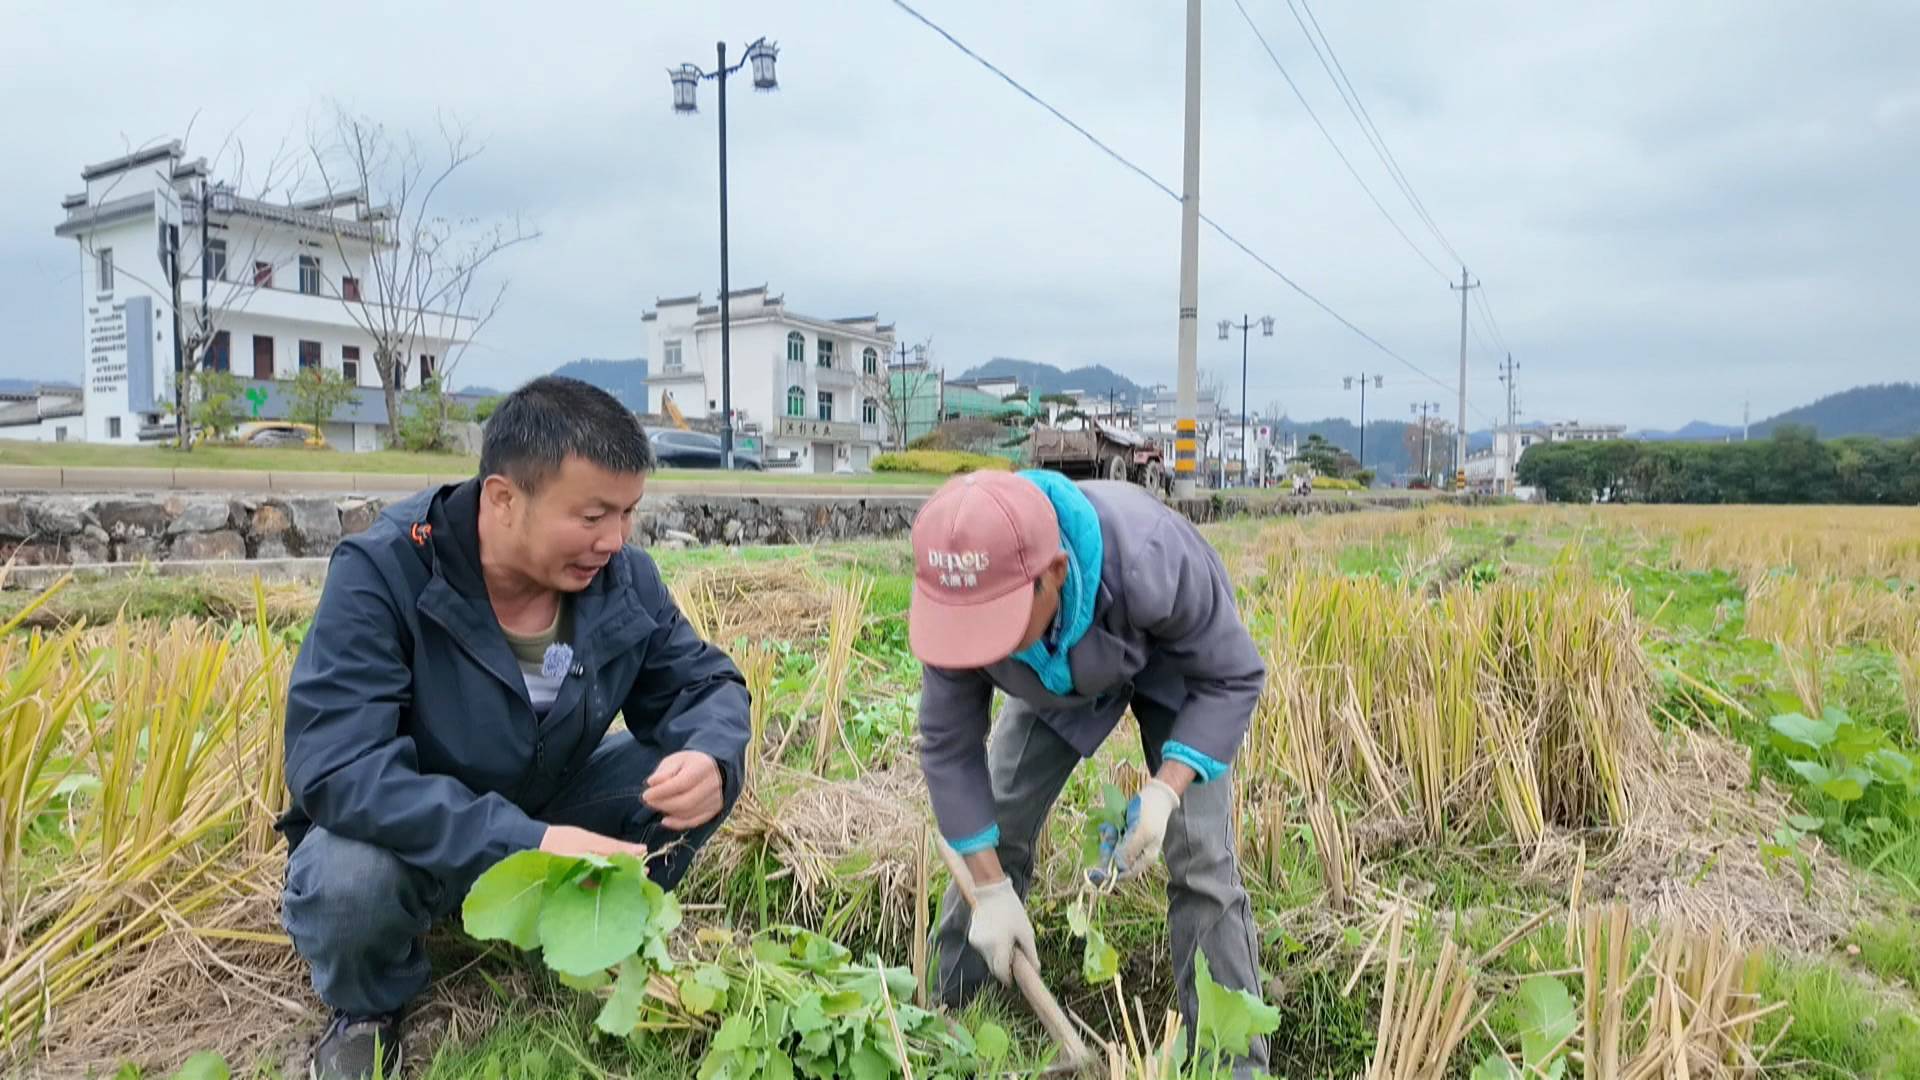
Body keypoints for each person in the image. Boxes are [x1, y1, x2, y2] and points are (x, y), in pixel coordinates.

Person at [278, 376, 750, 1080]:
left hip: (546, 802)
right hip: (417, 835)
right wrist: (528, 843)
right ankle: (371, 1006)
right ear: (503, 498)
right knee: (347, 881)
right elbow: (337, 767)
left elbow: (703, 683)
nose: (615, 540)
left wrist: (712, 755)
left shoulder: (623, 577)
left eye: (628, 514)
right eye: (592, 516)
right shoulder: (386, 573)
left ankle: (584, 938)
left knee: (685, 770)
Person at [911, 469, 1270, 1075]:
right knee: (997, 820)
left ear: (1051, 575)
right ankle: (948, 1016)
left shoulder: (1153, 557)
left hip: (1173, 665)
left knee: (1202, 858)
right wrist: (990, 888)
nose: (974, 647)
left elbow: (1231, 675)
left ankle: (1232, 1061)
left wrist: (1165, 790)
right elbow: (948, 748)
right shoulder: (960, 606)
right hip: (1046, 677)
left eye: (992, 624)